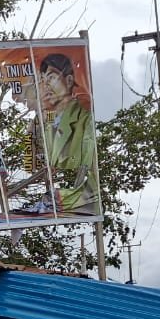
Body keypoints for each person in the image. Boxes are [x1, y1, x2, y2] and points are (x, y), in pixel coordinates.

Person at [35, 52, 98, 214]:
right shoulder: (47, 125)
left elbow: (87, 173)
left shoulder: (84, 120)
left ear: (69, 81)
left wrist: (64, 198)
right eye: (43, 80)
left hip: (75, 200)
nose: (46, 85)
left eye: (51, 77)